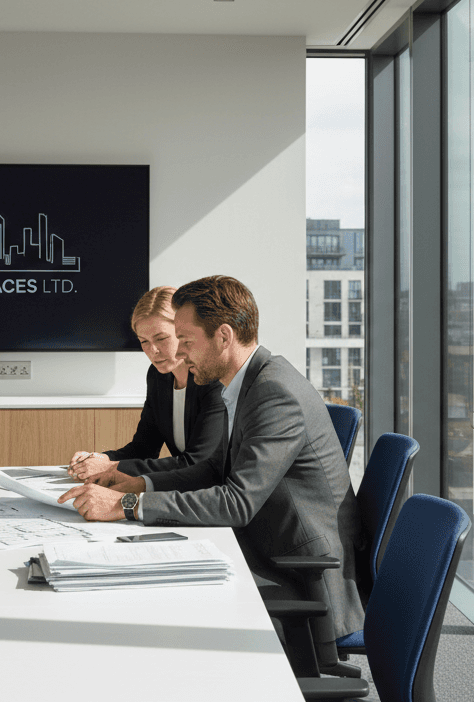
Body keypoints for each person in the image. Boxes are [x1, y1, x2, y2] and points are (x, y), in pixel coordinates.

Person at [58, 275, 365, 642]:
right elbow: (210, 469)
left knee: (161, 599)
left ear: (223, 336)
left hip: (300, 575)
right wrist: (139, 484)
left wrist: (127, 504)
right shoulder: (245, 384)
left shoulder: (274, 393)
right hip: (263, 544)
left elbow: (236, 502)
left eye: (185, 341)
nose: (180, 354)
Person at [66, 286, 226, 479]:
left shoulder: (213, 379)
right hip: (186, 489)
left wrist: (110, 468)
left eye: (161, 338)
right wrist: (99, 459)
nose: (153, 351)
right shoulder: (159, 376)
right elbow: (143, 449)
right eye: (144, 341)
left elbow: (197, 462)